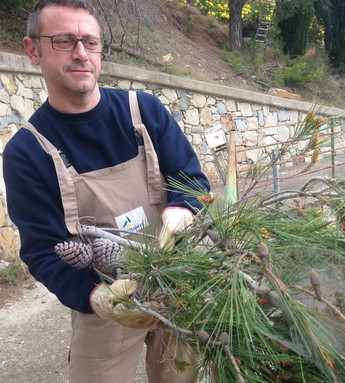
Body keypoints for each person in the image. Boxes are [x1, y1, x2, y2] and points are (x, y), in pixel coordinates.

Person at [3, 0, 210, 382]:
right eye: (64, 41)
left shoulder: (143, 112)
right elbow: (41, 251)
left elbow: (193, 183)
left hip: (175, 281)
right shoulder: (27, 152)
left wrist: (184, 209)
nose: (82, 53)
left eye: (90, 42)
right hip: (106, 301)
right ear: (33, 50)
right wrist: (97, 298)